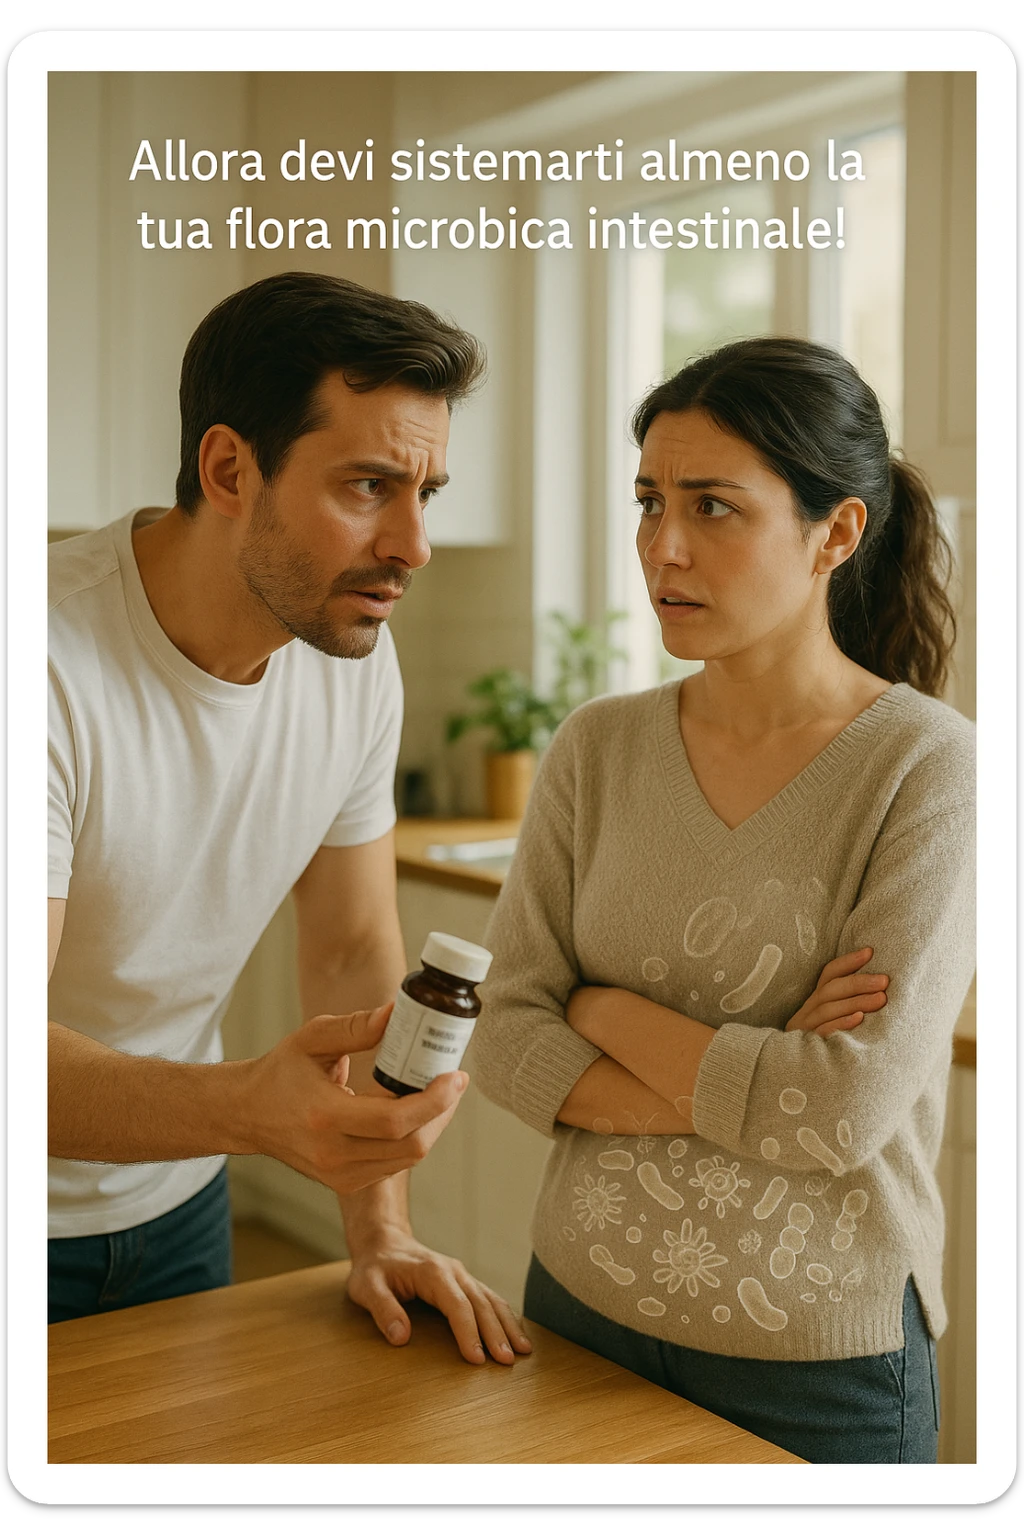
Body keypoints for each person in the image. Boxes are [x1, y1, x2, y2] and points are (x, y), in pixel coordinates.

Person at [472, 336, 974, 1461]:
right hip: (575, 1310)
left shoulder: (925, 768)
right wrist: (751, 1075)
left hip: (815, 1364)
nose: (663, 547)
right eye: (649, 502)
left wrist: (602, 1016)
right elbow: (502, 1038)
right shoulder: (597, 747)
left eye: (713, 507)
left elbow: (843, 1110)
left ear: (835, 533)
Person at [47, 270, 532, 1367]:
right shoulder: (45, 665)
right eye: (368, 486)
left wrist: (380, 1228)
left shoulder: (348, 658)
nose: (411, 545)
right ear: (228, 468)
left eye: (427, 494)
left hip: (175, 1211)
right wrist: (246, 1112)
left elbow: (355, 947)